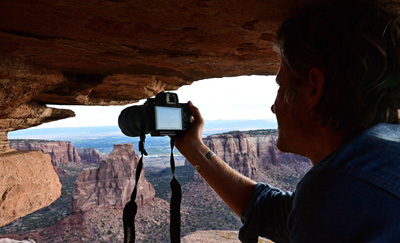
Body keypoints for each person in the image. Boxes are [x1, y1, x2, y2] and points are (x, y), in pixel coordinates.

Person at [175, 0, 400, 242]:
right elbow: (271, 212)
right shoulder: (381, 158)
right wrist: (193, 148)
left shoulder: (336, 189)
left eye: (281, 85)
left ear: (314, 88)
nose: (273, 106)